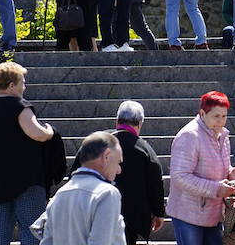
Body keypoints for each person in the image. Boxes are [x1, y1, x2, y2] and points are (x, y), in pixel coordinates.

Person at [68, 101, 165, 245]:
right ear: (139, 124)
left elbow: (76, 172)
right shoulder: (144, 149)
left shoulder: (96, 141)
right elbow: (155, 183)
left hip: (92, 207)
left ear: (117, 121)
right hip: (131, 216)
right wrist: (158, 213)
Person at [0, 62, 54, 245]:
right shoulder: (19, 106)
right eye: (22, 81)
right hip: (25, 177)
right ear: (11, 85)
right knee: (31, 228)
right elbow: (36, 133)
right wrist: (49, 131)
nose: (25, 86)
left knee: (0, 226)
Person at [166, 91, 235, 245]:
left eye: (224, 116)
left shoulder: (222, 135)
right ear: (202, 113)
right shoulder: (189, 136)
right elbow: (179, 176)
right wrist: (216, 189)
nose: (221, 122)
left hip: (213, 215)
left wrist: (231, 174)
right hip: (188, 215)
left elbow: (217, 165)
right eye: (216, 116)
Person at [36, 131, 126, 245]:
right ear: (106, 156)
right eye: (118, 162)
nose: (119, 170)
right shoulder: (107, 194)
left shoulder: (59, 195)